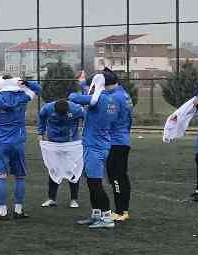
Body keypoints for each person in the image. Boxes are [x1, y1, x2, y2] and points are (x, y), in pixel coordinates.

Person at [0, 74, 41, 219]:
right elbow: (38, 89)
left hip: (0, 144)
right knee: (20, 177)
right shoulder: (22, 97)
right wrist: (27, 82)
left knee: (1, 178)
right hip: (18, 142)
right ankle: (18, 210)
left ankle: (3, 212)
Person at [68, 72, 125, 230]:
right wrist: (88, 88)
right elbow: (91, 99)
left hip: (94, 147)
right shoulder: (112, 99)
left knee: (95, 184)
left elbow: (73, 97)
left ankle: (106, 217)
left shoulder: (98, 99)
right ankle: (96, 214)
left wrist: (82, 89)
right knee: (92, 182)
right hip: (102, 143)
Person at [36, 95, 83, 208]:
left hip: (71, 143)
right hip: (54, 142)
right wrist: (40, 132)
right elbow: (41, 118)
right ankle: (51, 199)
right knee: (54, 169)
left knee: (72, 169)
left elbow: (87, 116)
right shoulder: (47, 108)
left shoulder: (76, 109)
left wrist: (85, 131)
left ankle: (74, 200)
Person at [103, 71, 134, 221]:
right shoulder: (123, 93)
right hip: (123, 139)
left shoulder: (114, 97)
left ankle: (120, 211)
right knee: (122, 176)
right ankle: (124, 210)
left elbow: (109, 119)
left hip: (115, 142)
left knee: (115, 177)